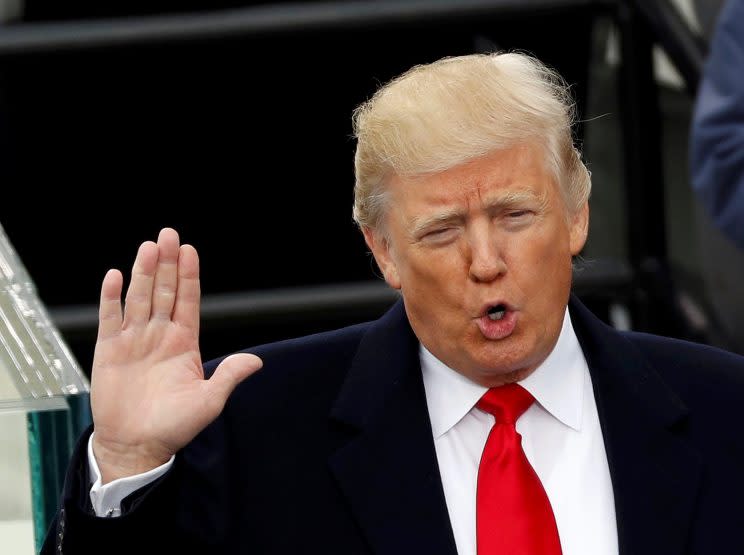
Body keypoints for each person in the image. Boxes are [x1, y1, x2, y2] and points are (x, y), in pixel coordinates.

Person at [43, 52, 744, 555]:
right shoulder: (253, 433)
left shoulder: (724, 408)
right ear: (382, 251)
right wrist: (128, 460)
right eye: (441, 231)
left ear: (577, 214)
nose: (486, 261)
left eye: (515, 215)